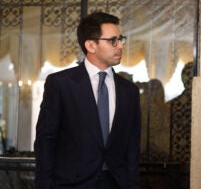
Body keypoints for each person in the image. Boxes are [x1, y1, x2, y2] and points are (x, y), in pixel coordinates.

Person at [34, 12, 141, 189]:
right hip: (70, 183)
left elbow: (132, 146)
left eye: (121, 39)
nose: (120, 45)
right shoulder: (61, 84)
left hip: (116, 183)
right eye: (113, 40)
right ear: (91, 45)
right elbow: (46, 140)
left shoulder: (129, 91)